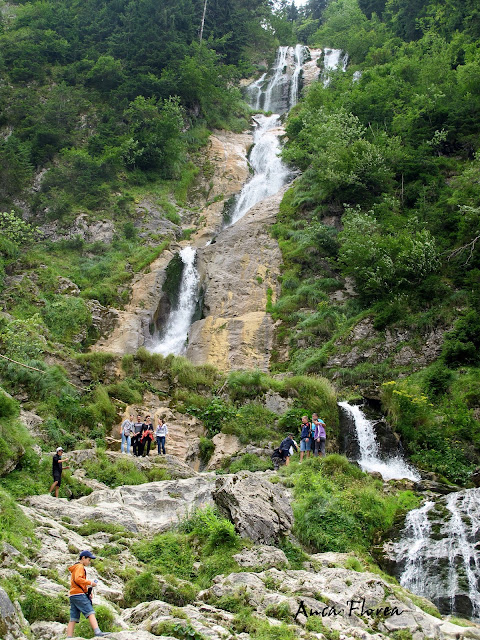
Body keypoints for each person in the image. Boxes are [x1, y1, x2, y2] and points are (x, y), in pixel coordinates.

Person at [67, 550, 110, 637]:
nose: (89, 562)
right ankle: (97, 632)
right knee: (90, 612)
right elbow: (78, 579)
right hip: (79, 594)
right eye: (89, 560)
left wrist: (87, 591)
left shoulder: (75, 567)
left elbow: (77, 582)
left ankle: (69, 637)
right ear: (83, 558)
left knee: (73, 618)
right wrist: (90, 583)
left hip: (73, 594)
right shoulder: (80, 567)